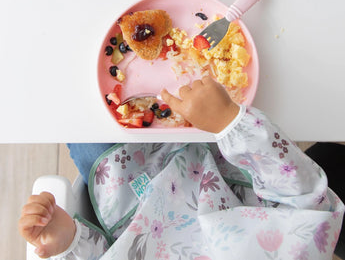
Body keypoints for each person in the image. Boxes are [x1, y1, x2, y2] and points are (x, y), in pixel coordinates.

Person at [19, 77, 344, 260]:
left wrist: (70, 241)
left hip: (127, 193)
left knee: (81, 106)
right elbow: (306, 201)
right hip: (233, 162)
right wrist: (230, 124)